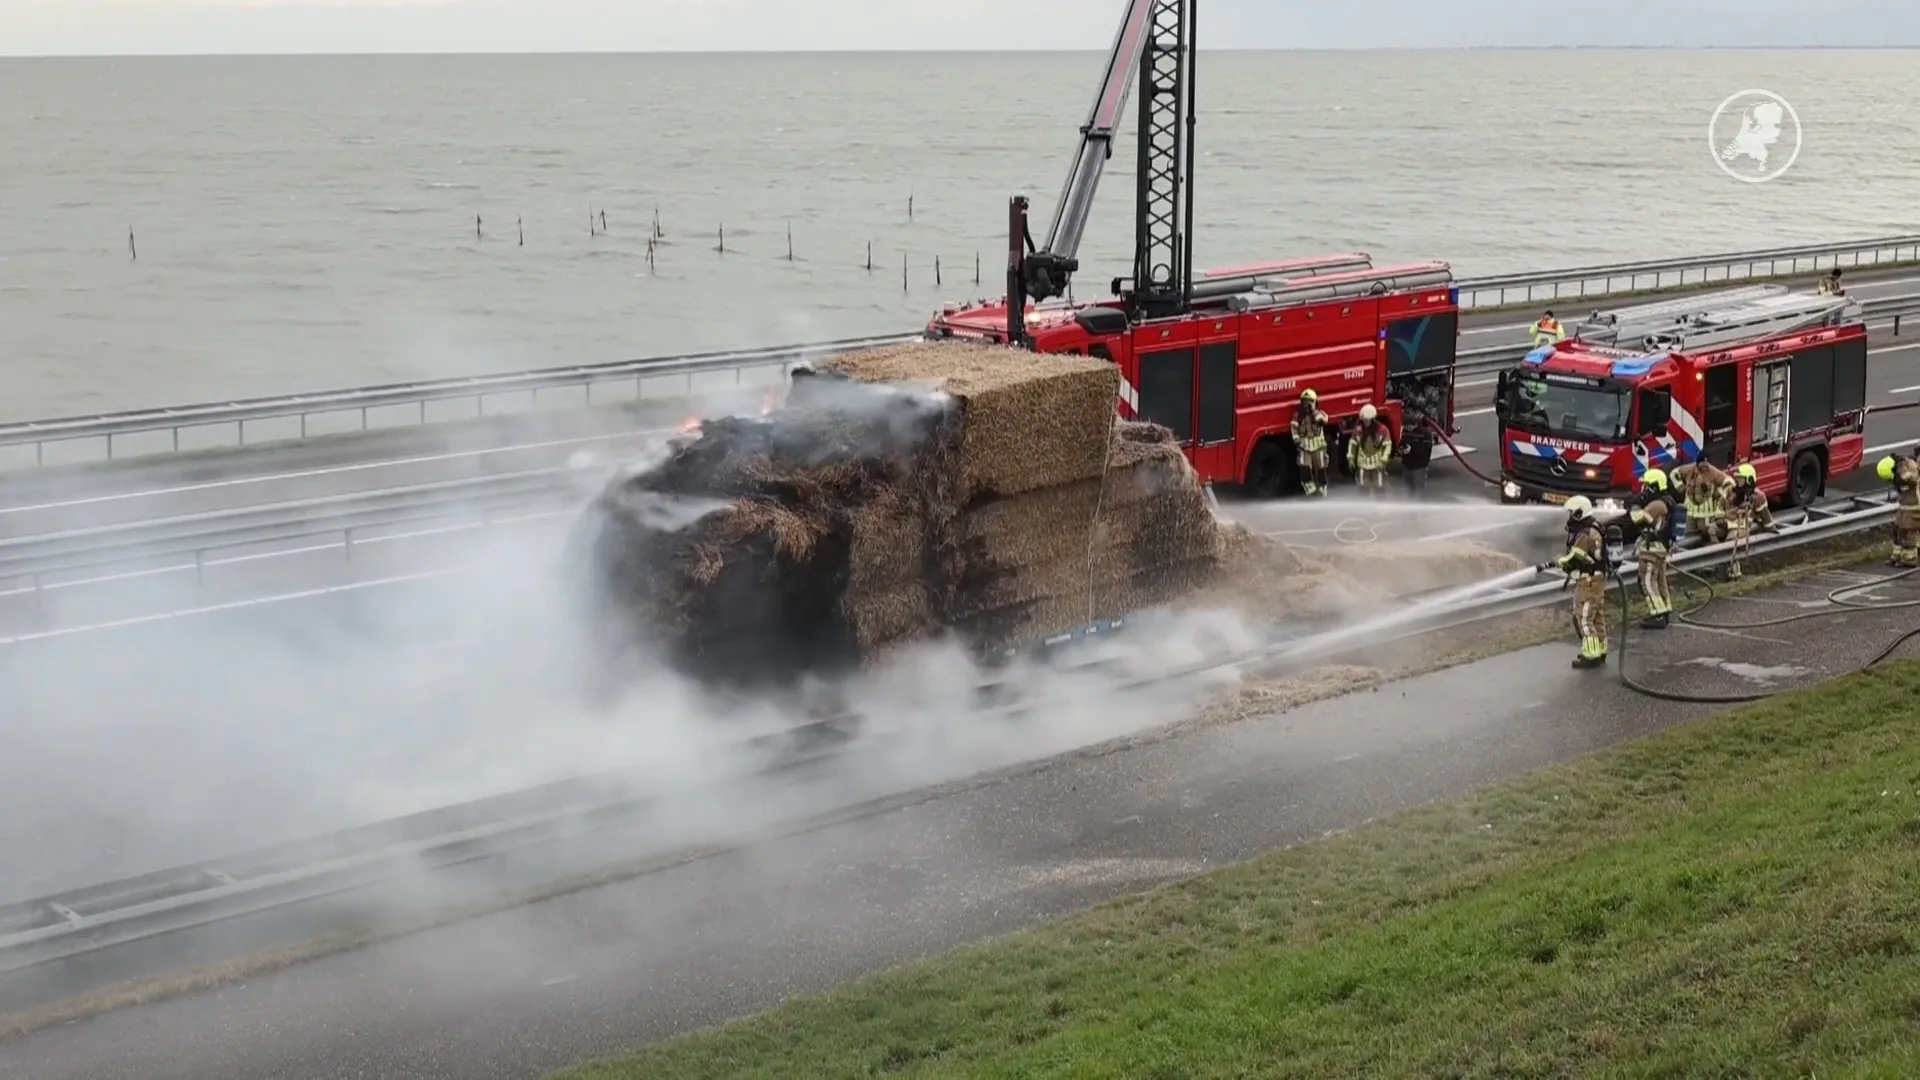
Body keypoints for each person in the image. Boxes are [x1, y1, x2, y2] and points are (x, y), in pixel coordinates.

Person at [1541, 495, 1612, 668]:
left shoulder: (1585, 534)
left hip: (1589, 581)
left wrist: (1559, 561)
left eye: (1572, 513)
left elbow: (1573, 557)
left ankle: (1592, 655)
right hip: (1596, 578)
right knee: (1596, 617)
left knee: (1584, 617)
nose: (1570, 517)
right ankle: (1600, 649)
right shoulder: (1592, 527)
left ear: (1580, 513)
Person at [1628, 467, 1676, 628]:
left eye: (1647, 485)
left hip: (1652, 549)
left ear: (1654, 486)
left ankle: (1657, 615)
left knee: (1647, 581)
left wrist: (1635, 503)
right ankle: (1665, 609)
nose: (1644, 489)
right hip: (1661, 548)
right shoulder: (1667, 500)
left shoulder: (1656, 504)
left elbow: (1637, 519)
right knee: (1660, 580)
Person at [1723, 461, 1776, 580]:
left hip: (1740, 527)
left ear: (1749, 480)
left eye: (1740, 479)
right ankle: (1713, 566)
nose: (1737, 482)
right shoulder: (1732, 493)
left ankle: (1734, 572)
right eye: (1737, 479)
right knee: (1710, 533)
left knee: (1730, 543)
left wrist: (1771, 528)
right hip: (1726, 523)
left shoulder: (1758, 497)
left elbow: (1766, 517)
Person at [1672, 460, 1732, 547]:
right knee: (1689, 540)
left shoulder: (1713, 472)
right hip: (1690, 513)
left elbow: (1730, 482)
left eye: (1706, 462)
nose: (1704, 464)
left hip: (1706, 515)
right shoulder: (1689, 469)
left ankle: (1712, 556)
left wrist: (1719, 493)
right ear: (1698, 463)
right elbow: (1674, 473)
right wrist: (1679, 486)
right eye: (1702, 462)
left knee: (1706, 538)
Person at [1879, 454, 1920, 568]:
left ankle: (1910, 559)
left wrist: (1900, 476)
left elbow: (1912, 478)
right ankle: (1897, 554)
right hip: (1904, 506)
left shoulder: (1910, 470)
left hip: (1914, 507)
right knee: (1897, 530)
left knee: (1908, 531)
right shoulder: (1900, 472)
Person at [1291, 389, 1331, 496]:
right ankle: (1309, 487)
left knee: (1321, 466)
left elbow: (1323, 421)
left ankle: (1322, 487)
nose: (1306, 404)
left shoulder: (1320, 413)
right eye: (1305, 401)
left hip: (1318, 445)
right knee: (1305, 466)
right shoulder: (1297, 416)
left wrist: (1313, 411)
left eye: (1310, 401)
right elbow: (1294, 428)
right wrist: (1297, 440)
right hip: (1304, 446)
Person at [1348, 404, 1394, 498]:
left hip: (1378, 464)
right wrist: (1350, 458)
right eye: (1363, 420)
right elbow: (1352, 445)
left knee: (1379, 487)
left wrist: (1384, 460)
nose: (1364, 422)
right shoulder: (1358, 430)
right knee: (1363, 487)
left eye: (1366, 420)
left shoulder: (1382, 430)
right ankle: (1364, 507)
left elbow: (1387, 446)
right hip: (1363, 464)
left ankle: (1380, 508)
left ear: (1372, 419)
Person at [1399, 410, 1435, 499]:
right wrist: (1401, 450)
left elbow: (1426, 449)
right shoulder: (1405, 432)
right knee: (1406, 490)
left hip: (1419, 467)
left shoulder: (1425, 434)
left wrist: (1412, 449)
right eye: (1405, 426)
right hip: (1407, 466)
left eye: (1409, 426)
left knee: (1418, 491)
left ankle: (1418, 509)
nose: (1407, 428)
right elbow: (1401, 443)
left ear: (1415, 424)